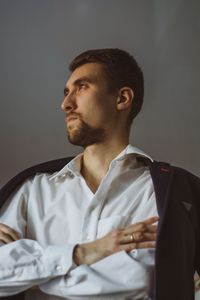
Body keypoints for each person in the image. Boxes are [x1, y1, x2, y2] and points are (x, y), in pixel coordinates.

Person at [0, 48, 199, 300]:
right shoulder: (31, 189)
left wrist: (31, 274)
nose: (66, 104)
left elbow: (139, 280)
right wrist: (83, 253)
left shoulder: (161, 192)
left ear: (122, 98)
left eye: (81, 87)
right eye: (66, 92)